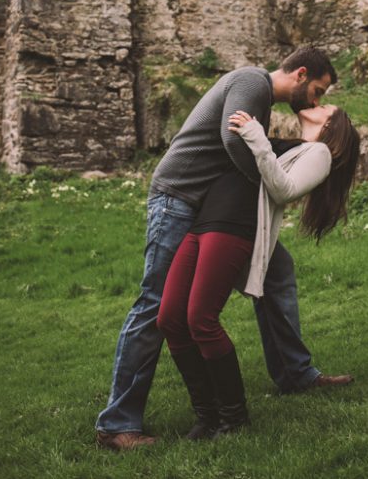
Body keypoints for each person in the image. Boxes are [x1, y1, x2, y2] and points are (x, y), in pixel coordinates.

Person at [95, 46, 353, 451]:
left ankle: (294, 373)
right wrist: (265, 179)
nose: (317, 100)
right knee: (157, 307)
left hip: (215, 215)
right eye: (318, 90)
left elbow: (272, 157)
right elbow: (234, 144)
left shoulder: (268, 109)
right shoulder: (252, 81)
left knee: (278, 275)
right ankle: (117, 423)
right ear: (301, 74)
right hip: (181, 199)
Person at [156, 103, 360, 439]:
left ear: (330, 126)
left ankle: (234, 418)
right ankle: (207, 416)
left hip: (234, 225)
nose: (317, 103)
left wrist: (256, 136)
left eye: (326, 106)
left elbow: (284, 189)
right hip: (203, 221)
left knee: (201, 320)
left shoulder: (319, 152)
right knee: (169, 319)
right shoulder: (288, 143)